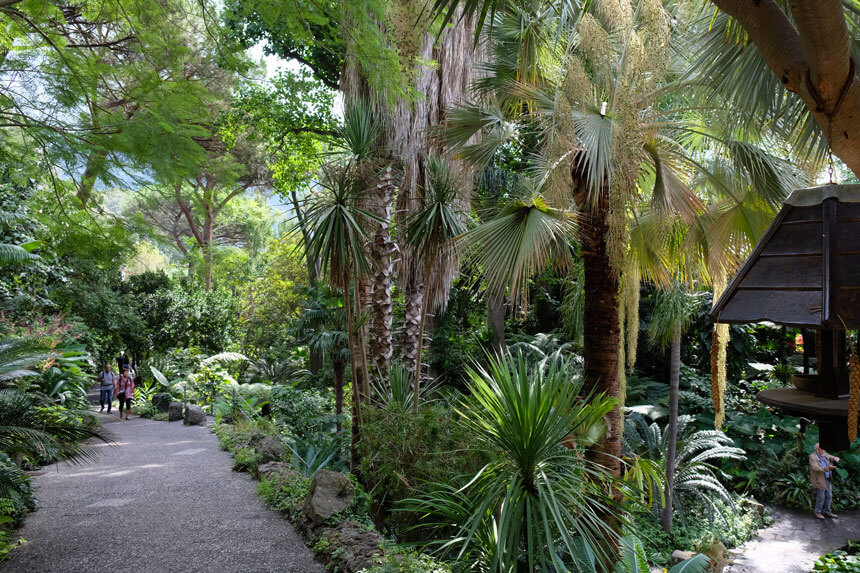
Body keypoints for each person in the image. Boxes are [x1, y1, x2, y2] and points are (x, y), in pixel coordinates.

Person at [809, 442, 841, 519]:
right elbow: (815, 468)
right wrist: (828, 468)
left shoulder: (824, 453)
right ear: (817, 450)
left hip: (827, 478)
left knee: (829, 495)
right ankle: (817, 512)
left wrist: (835, 458)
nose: (823, 451)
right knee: (821, 496)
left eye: (823, 449)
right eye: (821, 449)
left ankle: (827, 512)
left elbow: (830, 456)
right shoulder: (812, 457)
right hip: (819, 479)